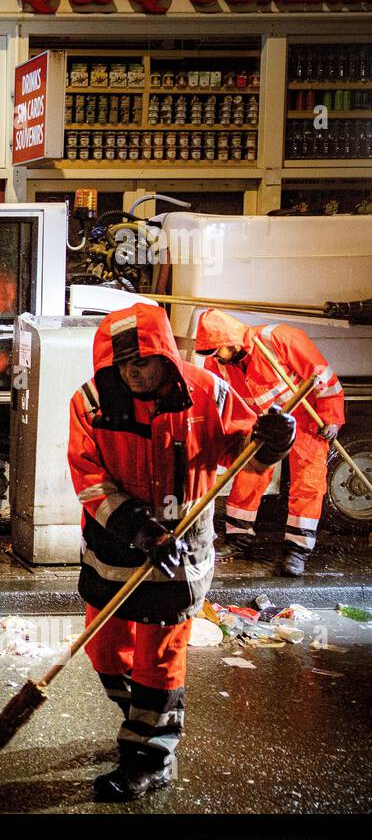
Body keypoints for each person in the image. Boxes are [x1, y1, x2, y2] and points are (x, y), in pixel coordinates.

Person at [68, 304, 295, 801]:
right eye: (123, 363)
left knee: (159, 660)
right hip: (113, 552)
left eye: (143, 361)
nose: (133, 371)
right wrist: (135, 526)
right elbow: (88, 477)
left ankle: (150, 757)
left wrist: (272, 444)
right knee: (105, 651)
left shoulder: (207, 393)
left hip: (181, 558)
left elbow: (244, 457)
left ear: (164, 356)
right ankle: (147, 719)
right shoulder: (90, 403)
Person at [195, 310, 345, 576]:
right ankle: (239, 539)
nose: (214, 357)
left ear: (231, 342)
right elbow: (223, 403)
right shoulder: (218, 364)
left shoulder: (280, 339)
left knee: (307, 482)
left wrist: (331, 417)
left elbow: (323, 377)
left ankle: (297, 550)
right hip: (261, 422)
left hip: (304, 414)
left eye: (216, 351)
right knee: (248, 473)